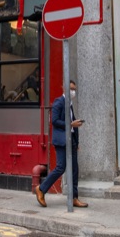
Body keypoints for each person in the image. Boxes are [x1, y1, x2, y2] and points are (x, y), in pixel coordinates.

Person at [34, 80, 88, 209]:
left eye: (74, 89)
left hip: (71, 142)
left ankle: (74, 197)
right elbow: (55, 121)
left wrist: (77, 142)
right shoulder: (59, 102)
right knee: (60, 167)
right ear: (64, 88)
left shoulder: (69, 105)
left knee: (74, 170)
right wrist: (71, 124)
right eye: (71, 88)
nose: (73, 91)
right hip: (62, 141)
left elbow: (73, 124)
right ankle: (41, 189)